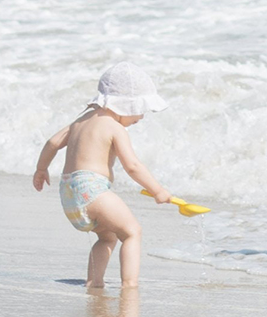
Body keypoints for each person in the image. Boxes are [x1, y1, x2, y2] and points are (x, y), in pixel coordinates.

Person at [33, 61, 172, 288]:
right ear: (126, 105)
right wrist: (158, 190)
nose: (142, 117)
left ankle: (94, 282)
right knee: (132, 232)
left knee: (107, 237)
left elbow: (52, 142)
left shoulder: (79, 122)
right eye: (140, 110)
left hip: (69, 193)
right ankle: (129, 285)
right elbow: (133, 166)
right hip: (93, 189)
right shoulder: (115, 127)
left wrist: (41, 169)